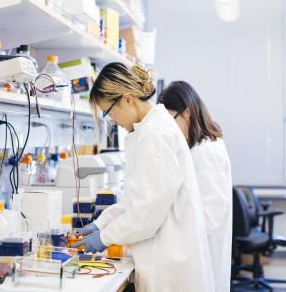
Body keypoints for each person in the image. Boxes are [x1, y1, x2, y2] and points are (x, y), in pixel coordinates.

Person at [73, 63, 214, 292]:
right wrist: (100, 224)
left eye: (110, 113)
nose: (113, 121)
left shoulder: (155, 135)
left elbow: (144, 215)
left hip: (171, 264)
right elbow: (136, 199)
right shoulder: (148, 130)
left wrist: (104, 237)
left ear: (128, 99)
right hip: (166, 254)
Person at [158, 81, 232, 292]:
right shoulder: (198, 148)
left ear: (187, 112)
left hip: (203, 257)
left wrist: (169, 238)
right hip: (195, 255)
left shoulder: (206, 151)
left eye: (170, 120)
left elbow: (211, 217)